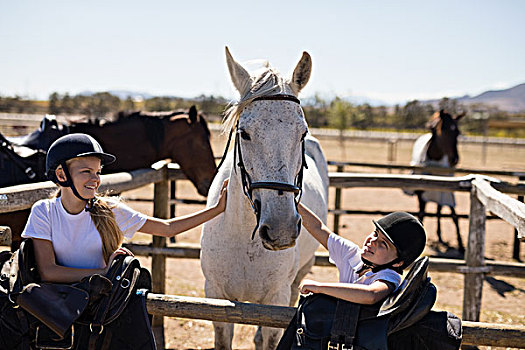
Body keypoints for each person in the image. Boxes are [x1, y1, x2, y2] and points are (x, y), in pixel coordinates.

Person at [21, 133, 228, 284]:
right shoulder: (44, 211)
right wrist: (105, 272)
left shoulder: (109, 210)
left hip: (99, 301)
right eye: (86, 171)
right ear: (61, 175)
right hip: (57, 305)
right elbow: (48, 272)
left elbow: (167, 228)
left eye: (98, 172)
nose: (96, 180)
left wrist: (217, 209)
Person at [297, 203, 426, 305]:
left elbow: (371, 295)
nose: (373, 241)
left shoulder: (389, 277)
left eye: (383, 244)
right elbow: (317, 228)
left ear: (398, 262)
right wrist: (294, 202)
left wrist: (319, 287)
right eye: (375, 233)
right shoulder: (353, 254)